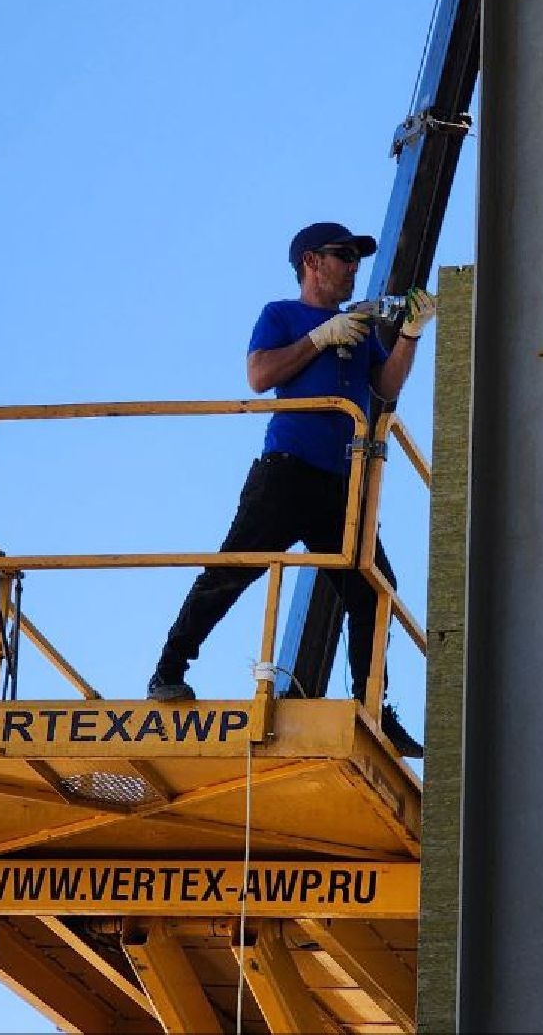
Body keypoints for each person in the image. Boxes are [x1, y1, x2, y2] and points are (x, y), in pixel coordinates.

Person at [148, 221, 434, 757]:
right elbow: (259, 376)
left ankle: (375, 708)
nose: (353, 266)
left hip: (338, 481)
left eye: (355, 258)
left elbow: (385, 388)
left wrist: (411, 335)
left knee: (373, 589)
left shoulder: (359, 328)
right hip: (287, 471)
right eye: (342, 255)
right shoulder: (281, 315)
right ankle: (169, 668)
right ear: (311, 262)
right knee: (231, 570)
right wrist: (319, 337)